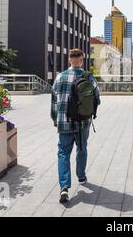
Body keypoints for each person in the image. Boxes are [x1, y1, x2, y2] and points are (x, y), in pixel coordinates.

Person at [51, 49, 100, 204]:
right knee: (82, 148)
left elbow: (53, 101)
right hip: (82, 122)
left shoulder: (60, 77)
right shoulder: (89, 77)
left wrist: (55, 119)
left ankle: (64, 187)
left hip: (64, 122)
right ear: (81, 60)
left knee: (63, 153)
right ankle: (81, 176)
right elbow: (97, 99)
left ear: (69, 60)